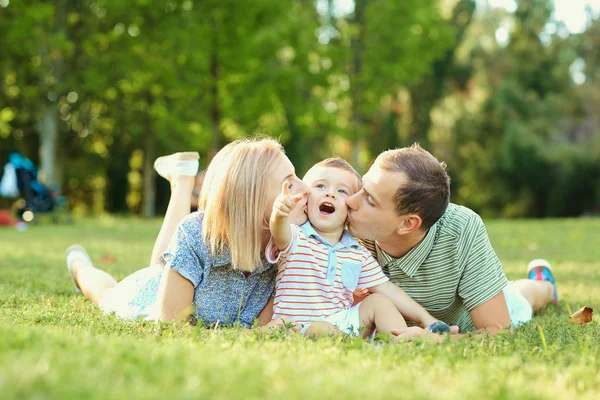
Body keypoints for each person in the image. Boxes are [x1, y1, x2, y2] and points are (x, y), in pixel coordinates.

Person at [64, 137, 309, 326]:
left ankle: (181, 178)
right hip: (149, 297)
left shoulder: (296, 244)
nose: (306, 188)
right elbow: (170, 324)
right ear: (250, 201)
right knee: (108, 294)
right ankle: (78, 265)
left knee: (161, 262)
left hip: (177, 273)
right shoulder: (196, 235)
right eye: (289, 183)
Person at [346, 144, 558, 336]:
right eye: (361, 188)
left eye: (370, 200)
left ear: (408, 224)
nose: (349, 201)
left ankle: (545, 284)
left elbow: (498, 331)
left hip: (465, 319)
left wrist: (436, 341)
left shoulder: (461, 230)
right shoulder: (342, 223)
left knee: (519, 298)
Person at [267, 157, 450, 339]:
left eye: (342, 191)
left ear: (352, 205)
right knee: (320, 329)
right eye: (320, 186)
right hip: (299, 327)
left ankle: (401, 343)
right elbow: (280, 233)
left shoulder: (357, 252)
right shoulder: (297, 237)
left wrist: (427, 319)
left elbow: (387, 289)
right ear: (306, 198)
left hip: (342, 321)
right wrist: (280, 214)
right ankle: (365, 350)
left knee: (379, 302)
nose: (330, 194)